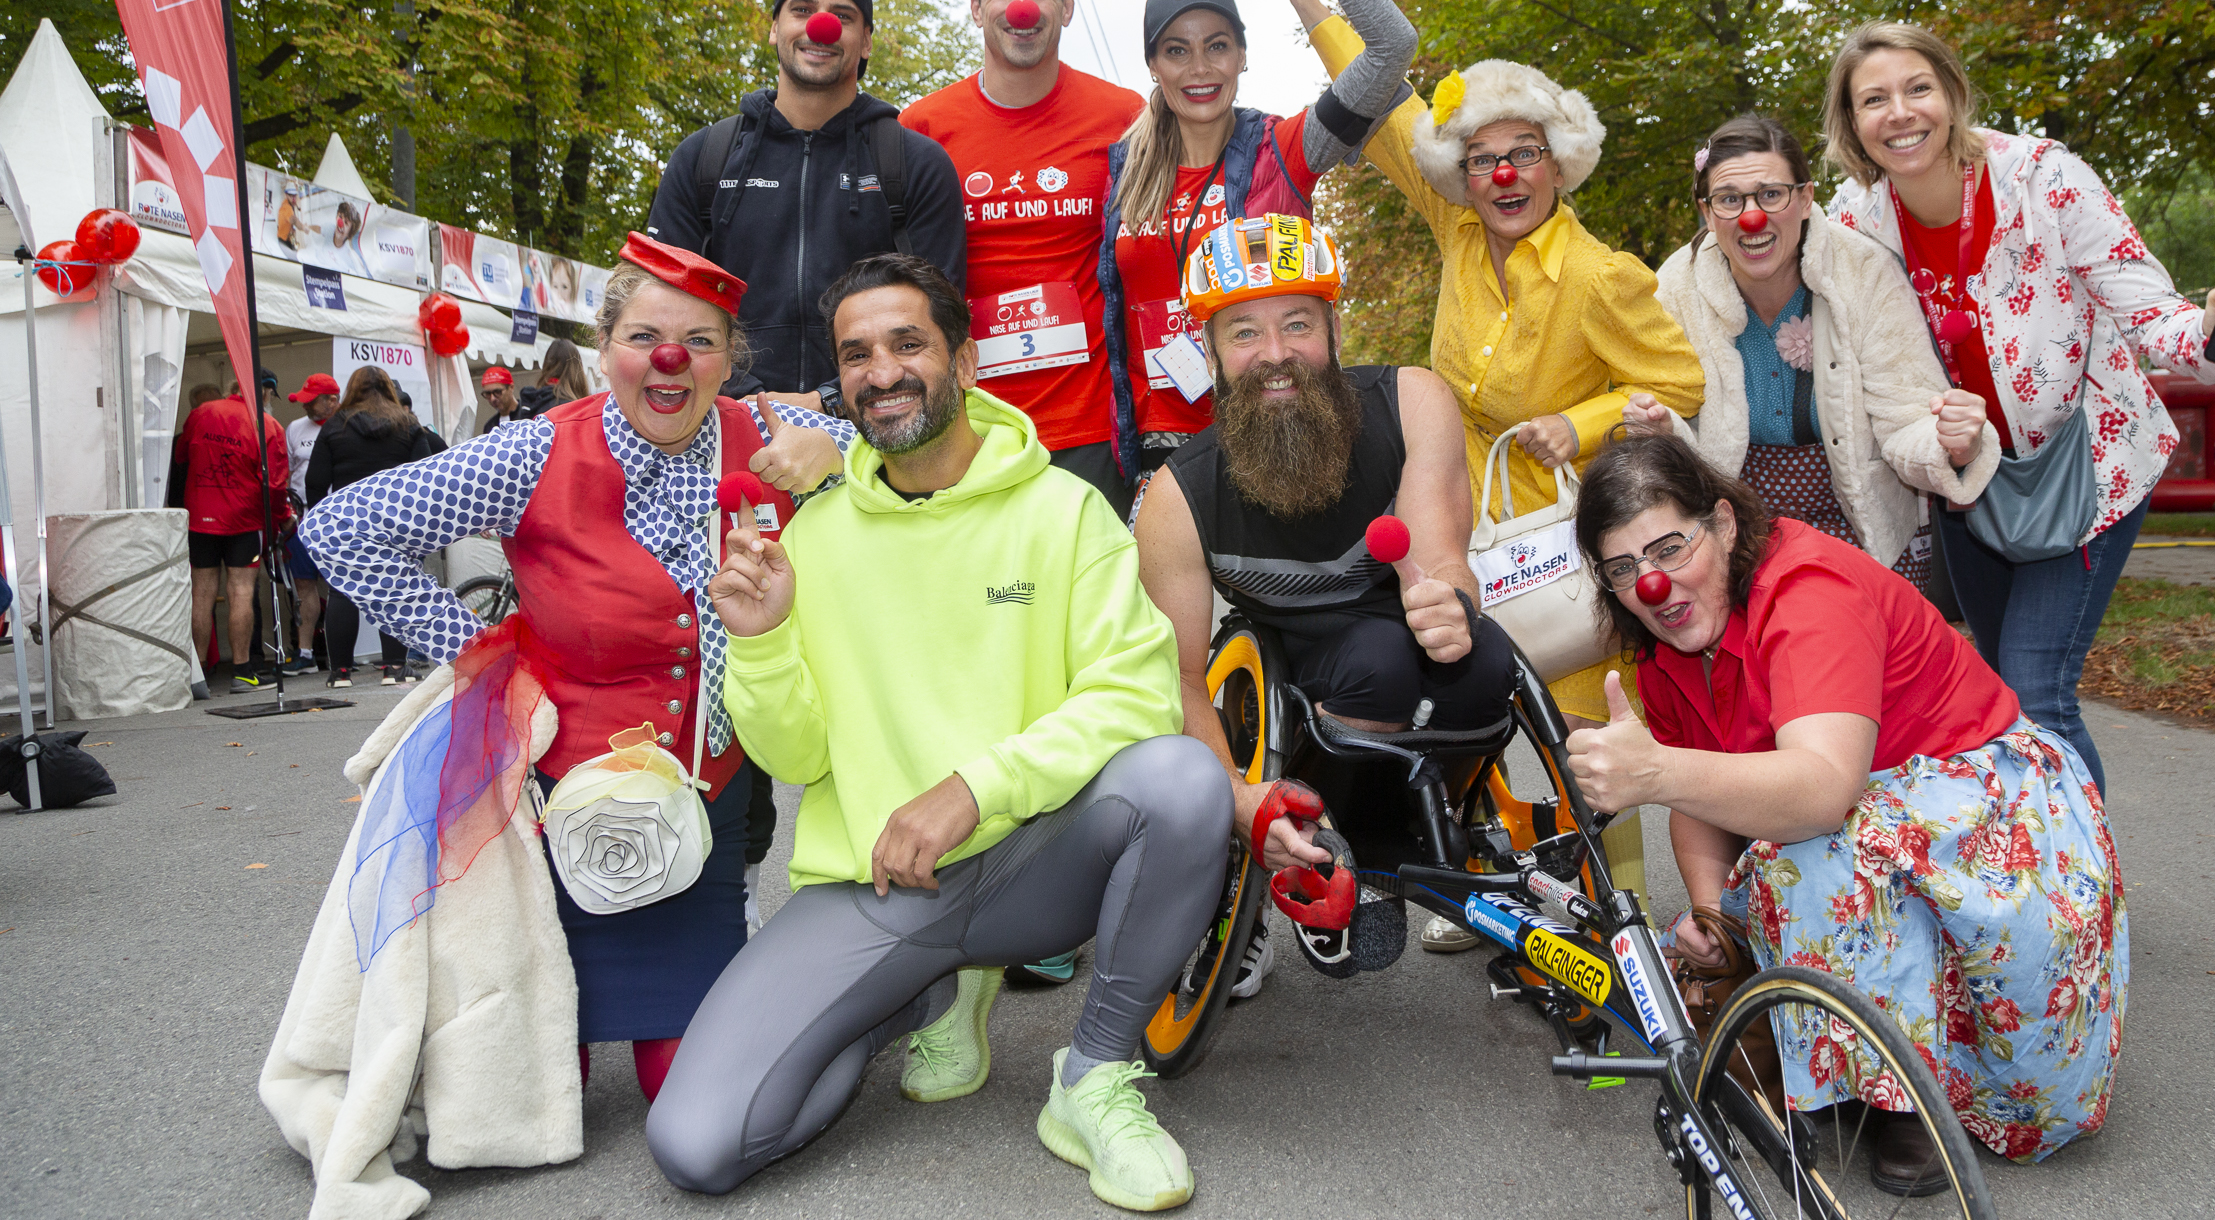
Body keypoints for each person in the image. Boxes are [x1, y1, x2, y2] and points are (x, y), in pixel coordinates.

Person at [648, 253, 1227, 1212]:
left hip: (1037, 865)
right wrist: (758, 643)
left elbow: (1136, 697)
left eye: (907, 343)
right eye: (857, 354)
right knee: (701, 1144)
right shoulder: (812, 535)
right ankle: (927, 996)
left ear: (962, 361)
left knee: (1180, 780)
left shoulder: (1067, 511)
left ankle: (1093, 1077)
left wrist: (972, 788)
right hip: (877, 882)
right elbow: (795, 759)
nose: (882, 371)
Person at [300, 233, 851, 1107]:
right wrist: (483, 659)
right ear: (604, 349)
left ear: (728, 359)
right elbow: (338, 529)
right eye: (643, 337)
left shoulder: (776, 433)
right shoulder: (531, 453)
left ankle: (723, 949)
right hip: (567, 799)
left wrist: (848, 460)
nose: (670, 359)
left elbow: (940, 444)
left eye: (700, 341)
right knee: (538, 1083)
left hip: (709, 800)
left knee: (689, 1085)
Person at [1566, 435, 2127, 1190]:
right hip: (1878, 818)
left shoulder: (1808, 591)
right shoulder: (1663, 644)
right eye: (1625, 569)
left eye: (1670, 547)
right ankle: (1825, 1040)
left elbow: (1823, 788)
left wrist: (1657, 769)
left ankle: (1913, 1094)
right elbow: (1702, 793)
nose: (1654, 586)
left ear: (1725, 525)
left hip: (1986, 810)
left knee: (1812, 855)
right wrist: (1715, 924)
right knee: (1790, 864)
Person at [1819, 21, 2215, 791]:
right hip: (1969, 481)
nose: (1900, 112)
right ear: (1852, 124)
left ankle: (2083, 894)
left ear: (1951, 93)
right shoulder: (1854, 220)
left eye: (1918, 88)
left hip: (2085, 467)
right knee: (1998, 689)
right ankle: (2041, 873)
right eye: (1873, 99)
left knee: (2037, 693)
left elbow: (2151, 313)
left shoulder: (2041, 178)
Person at [1312, 29, 1704, 930]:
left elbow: (1681, 380)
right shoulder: (1456, 229)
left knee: (1582, 728)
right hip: (1454, 505)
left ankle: (1621, 913)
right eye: (1483, 159)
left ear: (1559, 163)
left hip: (1563, 529)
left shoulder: (1603, 276)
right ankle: (1477, 883)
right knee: (1457, 699)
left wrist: (1582, 423)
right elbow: (1383, 102)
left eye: (1524, 153)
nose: (1503, 175)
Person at [1134, 216, 1516, 990]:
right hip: (1299, 672)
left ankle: (1413, 828)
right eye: (1244, 333)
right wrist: (1240, 802)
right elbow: (1173, 675)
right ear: (1210, 350)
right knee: (1379, 665)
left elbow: (1443, 552)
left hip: (1404, 622)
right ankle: (1338, 842)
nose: (1274, 354)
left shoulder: (1413, 399)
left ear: (1335, 328)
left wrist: (1450, 600)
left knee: (1487, 659)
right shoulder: (1177, 497)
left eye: (1297, 323)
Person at [1095, 0, 1414, 493]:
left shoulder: (1287, 148)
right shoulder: (1120, 170)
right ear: (1153, 66)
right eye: (1177, 51)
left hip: (1276, 435)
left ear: (1244, 54)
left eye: (1218, 45)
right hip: (1161, 452)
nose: (1201, 68)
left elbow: (1391, 45)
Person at [1629, 114, 1998, 592]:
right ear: (1706, 210)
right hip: (1741, 537)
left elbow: (1905, 417)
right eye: (1729, 199)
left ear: (1804, 199)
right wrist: (1664, 428)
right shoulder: (1676, 286)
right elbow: (1669, 414)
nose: (1751, 217)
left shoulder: (1864, 270)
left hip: (1864, 528)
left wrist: (1951, 443)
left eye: (1771, 194)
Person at [897, 0, 1144, 525]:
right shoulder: (921, 129)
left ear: (1066, 6)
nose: (1022, 4)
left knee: (1085, 611)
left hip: (1089, 429)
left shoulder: (1125, 116)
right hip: (964, 425)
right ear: (977, 9)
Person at [646, 0, 967, 403]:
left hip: (874, 419)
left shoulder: (917, 164)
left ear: (867, 40)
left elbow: (940, 315)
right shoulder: (703, 159)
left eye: (843, 15)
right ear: (775, 28)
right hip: (722, 417)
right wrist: (750, 398)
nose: (822, 26)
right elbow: (665, 302)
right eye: (802, 10)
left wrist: (827, 401)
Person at [307, 368, 448, 688]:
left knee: (342, 592)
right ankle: (394, 668)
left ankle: (341, 673)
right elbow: (424, 478)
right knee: (393, 591)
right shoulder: (407, 424)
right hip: (393, 519)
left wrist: (321, 519)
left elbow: (315, 482)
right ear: (389, 390)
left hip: (346, 519)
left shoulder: (335, 425)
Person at [171, 380, 288, 691]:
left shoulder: (201, 413)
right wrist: (281, 522)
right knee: (240, 593)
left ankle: (196, 678)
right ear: (263, 392)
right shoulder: (268, 424)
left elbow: (181, 456)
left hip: (200, 518)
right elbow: (275, 486)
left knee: (201, 595)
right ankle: (242, 670)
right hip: (244, 520)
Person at [282, 375, 342, 672]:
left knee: (340, 587)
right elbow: (285, 473)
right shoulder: (294, 428)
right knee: (304, 587)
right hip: (302, 519)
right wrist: (288, 517)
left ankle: (342, 653)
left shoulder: (346, 425)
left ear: (333, 399)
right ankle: (305, 654)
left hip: (338, 520)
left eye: (311, 400)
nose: (305, 405)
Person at [477, 365, 520, 432]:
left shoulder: (528, 415)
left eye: (497, 392)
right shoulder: (490, 426)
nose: (492, 398)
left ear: (511, 388)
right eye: (488, 394)